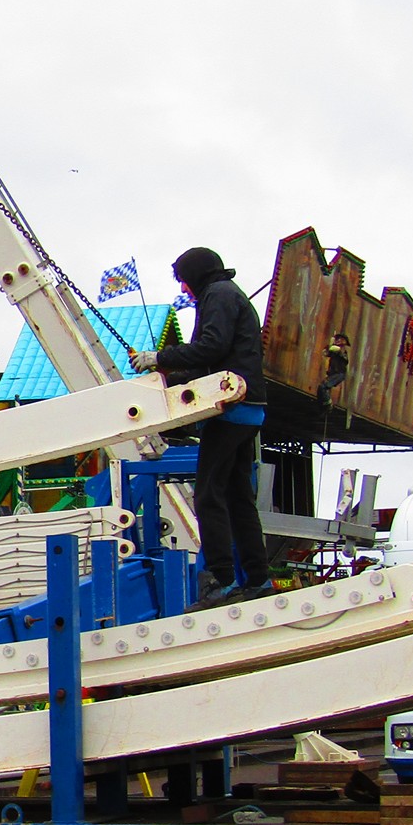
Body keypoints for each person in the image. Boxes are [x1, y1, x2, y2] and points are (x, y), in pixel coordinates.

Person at [131, 247, 272, 610]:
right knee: (240, 499)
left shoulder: (218, 296)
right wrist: (166, 374)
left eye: (183, 280)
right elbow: (212, 358)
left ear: (194, 275)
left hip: (228, 408)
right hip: (249, 409)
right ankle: (258, 580)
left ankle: (220, 582)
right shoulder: (227, 293)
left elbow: (210, 348)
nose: (184, 289)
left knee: (209, 495)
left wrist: (159, 358)